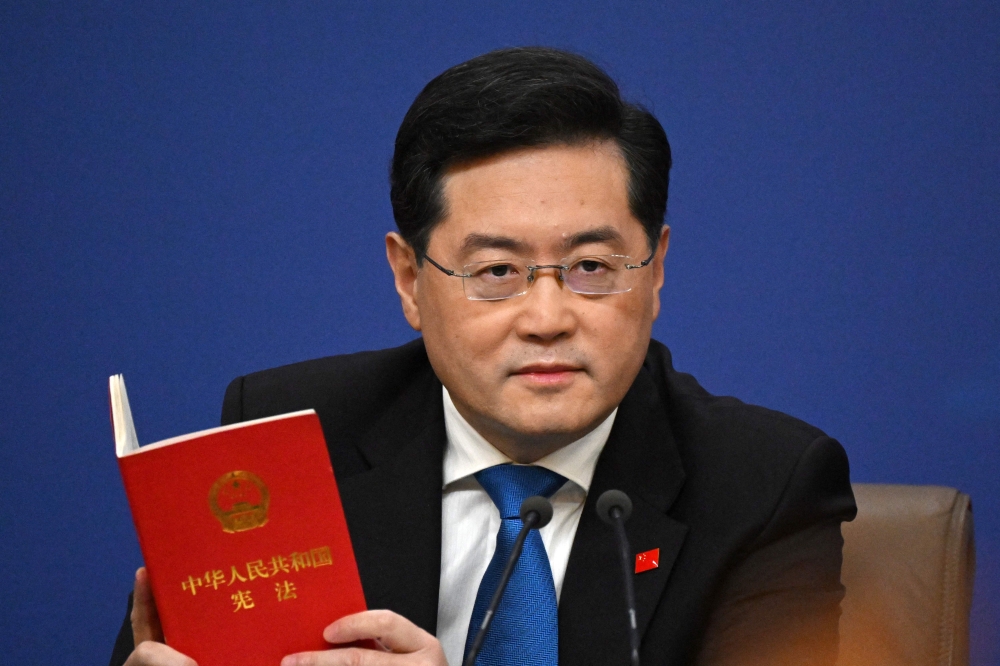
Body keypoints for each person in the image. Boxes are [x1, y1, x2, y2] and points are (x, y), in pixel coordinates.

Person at [110, 47, 856, 666]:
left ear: (655, 269)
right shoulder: (289, 435)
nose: (547, 317)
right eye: (496, 272)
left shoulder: (766, 489)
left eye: (592, 267)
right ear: (410, 279)